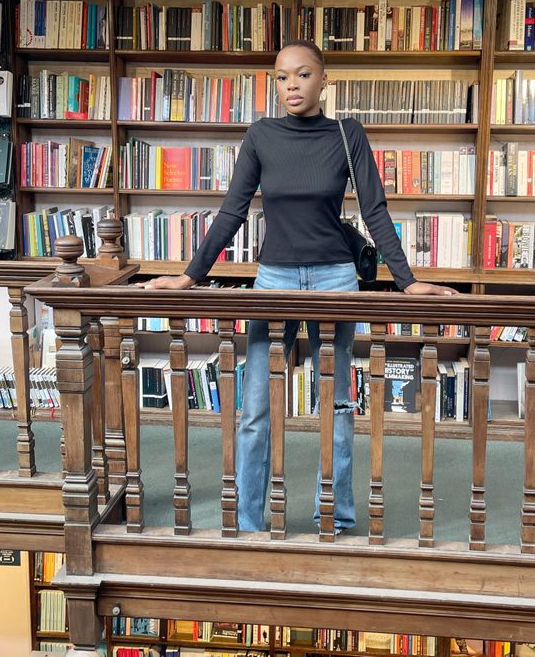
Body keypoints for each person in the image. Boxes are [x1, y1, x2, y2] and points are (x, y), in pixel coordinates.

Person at [140, 40, 456, 533]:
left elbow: (375, 211)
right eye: (283, 76)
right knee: (255, 410)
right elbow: (233, 211)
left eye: (303, 74)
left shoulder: (348, 135)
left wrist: (408, 282)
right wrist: (189, 275)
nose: (292, 84)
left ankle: (336, 517)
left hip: (334, 278)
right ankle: (247, 522)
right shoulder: (261, 135)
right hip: (275, 279)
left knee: (338, 405)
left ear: (324, 80)